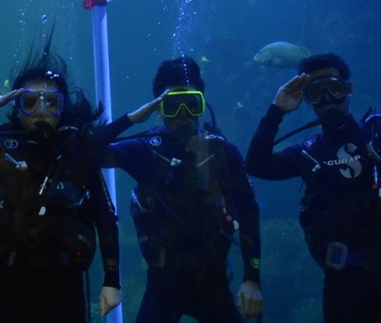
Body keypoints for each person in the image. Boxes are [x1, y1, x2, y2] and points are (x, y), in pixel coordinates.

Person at [245, 53, 381, 323]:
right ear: (307, 100)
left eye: (335, 88)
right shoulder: (308, 152)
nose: (328, 99)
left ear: (348, 89)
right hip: (343, 287)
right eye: (316, 93)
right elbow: (256, 164)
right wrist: (276, 110)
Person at [0, 38, 121, 323]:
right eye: (30, 103)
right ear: (16, 107)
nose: (41, 111)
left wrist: (112, 280)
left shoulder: (78, 154)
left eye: (52, 103)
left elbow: (105, 216)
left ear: (63, 108)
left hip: (64, 285)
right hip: (4, 283)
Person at [96, 57, 263, 322]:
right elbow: (86, 153)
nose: (183, 115)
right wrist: (131, 119)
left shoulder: (223, 153)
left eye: (192, 104)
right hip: (162, 284)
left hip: (213, 281)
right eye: (172, 106)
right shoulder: (144, 150)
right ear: (158, 109)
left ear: (202, 106)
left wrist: (252, 278)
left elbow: (249, 211)